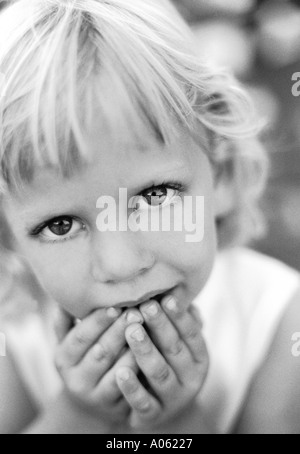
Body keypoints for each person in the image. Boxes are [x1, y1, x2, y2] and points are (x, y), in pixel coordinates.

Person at [0, 0, 299, 434]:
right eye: (60, 225)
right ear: (9, 239)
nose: (121, 264)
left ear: (222, 171)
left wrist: (176, 424)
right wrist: (80, 416)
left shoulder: (277, 323)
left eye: (155, 196)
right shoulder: (13, 336)